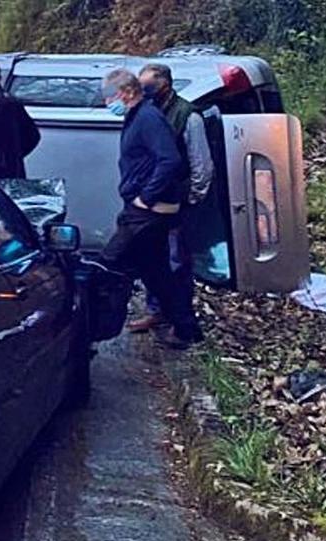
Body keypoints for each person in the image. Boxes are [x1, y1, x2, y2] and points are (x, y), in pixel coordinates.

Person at [98, 68, 201, 349]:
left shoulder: (147, 118)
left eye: (110, 96)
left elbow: (169, 159)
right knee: (155, 271)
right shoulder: (139, 116)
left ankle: (93, 323)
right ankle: (183, 327)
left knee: (110, 261)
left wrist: (147, 196)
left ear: (127, 92)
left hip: (148, 211)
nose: (107, 103)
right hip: (147, 207)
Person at [127, 63, 216, 336]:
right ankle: (157, 311)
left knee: (177, 263)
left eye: (148, 85)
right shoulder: (147, 112)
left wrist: (191, 198)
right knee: (153, 259)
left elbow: (201, 164)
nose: (143, 91)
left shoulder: (188, 116)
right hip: (152, 201)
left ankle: (183, 325)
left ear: (164, 84)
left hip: (177, 201)